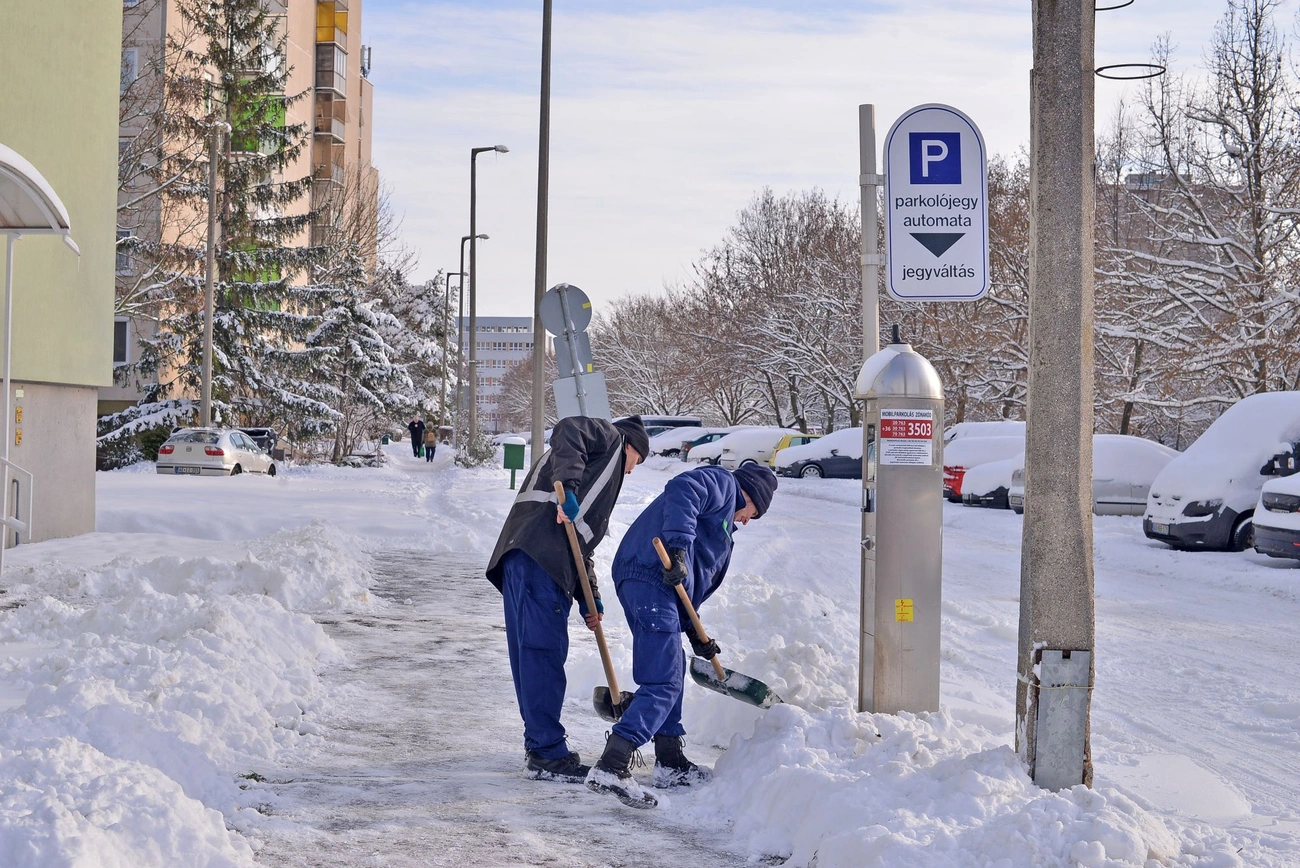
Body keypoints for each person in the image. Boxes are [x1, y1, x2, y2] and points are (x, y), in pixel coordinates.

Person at [585, 462, 778, 809]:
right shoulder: (723, 484)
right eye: (754, 513)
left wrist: (695, 634)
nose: (748, 521)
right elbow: (684, 488)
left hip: (656, 586)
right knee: (664, 680)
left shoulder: (721, 525)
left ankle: (670, 760)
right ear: (749, 496)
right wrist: (676, 548)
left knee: (672, 671)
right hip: (650, 575)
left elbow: (686, 586)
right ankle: (612, 764)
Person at [486, 414, 650, 783]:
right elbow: (571, 428)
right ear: (631, 447)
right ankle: (546, 753)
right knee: (543, 656)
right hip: (540, 560)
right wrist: (570, 488)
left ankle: (540, 745)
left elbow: (579, 545)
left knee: (531, 658)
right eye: (637, 461)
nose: (632, 471)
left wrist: (589, 597)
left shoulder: (597, 473)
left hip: (524, 556)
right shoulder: (610, 439)